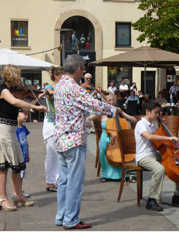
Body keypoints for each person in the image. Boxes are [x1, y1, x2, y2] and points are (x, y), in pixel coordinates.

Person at [54, 54, 123, 229]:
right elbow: (94, 104)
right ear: (78, 69)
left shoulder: (60, 84)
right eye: (83, 69)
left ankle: (61, 215)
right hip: (74, 140)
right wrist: (114, 109)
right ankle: (71, 219)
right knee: (74, 182)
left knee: (63, 180)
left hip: (60, 139)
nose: (84, 72)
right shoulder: (74, 87)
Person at [0, 64, 47, 212]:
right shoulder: (3, 90)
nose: (20, 80)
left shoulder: (12, 91)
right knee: (4, 167)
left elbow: (24, 107)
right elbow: (16, 103)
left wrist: (39, 98)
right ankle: (2, 198)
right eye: (18, 76)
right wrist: (37, 108)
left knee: (17, 166)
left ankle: (18, 195)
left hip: (11, 131)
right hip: (2, 131)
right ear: (12, 76)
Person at [135, 100, 179, 211]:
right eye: (156, 113)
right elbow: (149, 137)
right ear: (147, 111)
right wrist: (169, 138)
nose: (158, 115)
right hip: (144, 156)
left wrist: (161, 127)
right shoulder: (140, 124)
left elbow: (158, 139)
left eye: (159, 113)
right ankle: (152, 199)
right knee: (160, 169)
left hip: (155, 154)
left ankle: (178, 196)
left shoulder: (152, 125)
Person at [87, 94, 137, 182]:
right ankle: (106, 174)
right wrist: (88, 120)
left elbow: (134, 120)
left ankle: (129, 173)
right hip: (105, 138)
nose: (111, 102)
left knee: (129, 149)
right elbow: (89, 118)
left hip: (118, 138)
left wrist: (122, 113)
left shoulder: (117, 110)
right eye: (109, 100)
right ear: (104, 102)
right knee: (102, 148)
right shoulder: (102, 112)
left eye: (112, 100)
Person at [39, 66, 64, 192]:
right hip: (51, 124)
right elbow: (49, 95)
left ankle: (59, 180)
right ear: (56, 76)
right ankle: (50, 181)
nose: (64, 77)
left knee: (59, 153)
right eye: (62, 75)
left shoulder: (62, 87)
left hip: (59, 124)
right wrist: (48, 93)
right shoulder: (49, 87)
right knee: (51, 154)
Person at [16, 110, 31, 198]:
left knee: (21, 174)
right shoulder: (14, 129)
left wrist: (28, 154)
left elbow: (26, 142)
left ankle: (19, 190)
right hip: (18, 156)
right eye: (24, 114)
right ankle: (18, 191)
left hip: (24, 155)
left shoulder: (24, 128)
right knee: (18, 174)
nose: (26, 116)